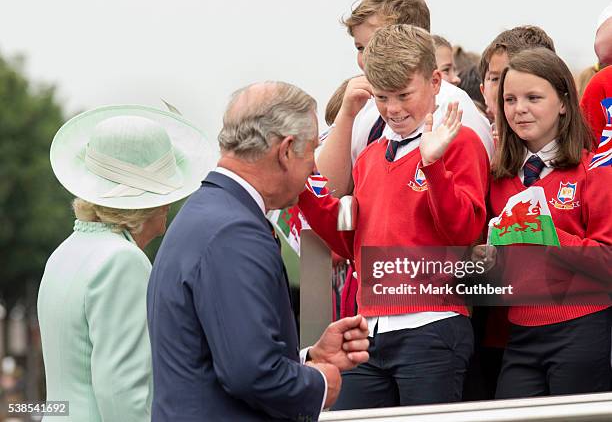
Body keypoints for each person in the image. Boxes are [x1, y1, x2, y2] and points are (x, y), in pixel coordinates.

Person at [147, 81, 370, 422]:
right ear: (285, 150)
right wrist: (319, 381)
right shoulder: (234, 231)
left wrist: (308, 357)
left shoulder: (208, 213)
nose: (314, 169)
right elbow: (251, 373)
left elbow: (225, 352)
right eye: (311, 152)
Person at [299, 24, 488, 409]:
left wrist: (433, 165)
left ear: (435, 81)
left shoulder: (460, 141)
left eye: (404, 95)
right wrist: (301, 188)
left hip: (432, 325)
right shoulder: (369, 157)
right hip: (368, 329)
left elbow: (464, 232)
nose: (394, 109)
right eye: (382, 97)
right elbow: (352, 246)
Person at [38, 105, 214, 422]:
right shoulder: (123, 261)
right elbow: (121, 392)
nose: (171, 204)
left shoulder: (64, 251)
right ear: (148, 204)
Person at [488, 48, 612, 398]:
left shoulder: (594, 171)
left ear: (563, 102)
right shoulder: (498, 176)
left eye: (533, 97)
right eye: (509, 99)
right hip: (519, 332)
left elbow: (608, 261)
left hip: (581, 328)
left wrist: (549, 237)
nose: (519, 108)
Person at [316, 0, 493, 197]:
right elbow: (326, 191)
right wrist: (346, 116)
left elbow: (471, 203)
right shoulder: (365, 105)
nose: (364, 60)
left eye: (373, 46)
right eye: (360, 48)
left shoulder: (455, 108)